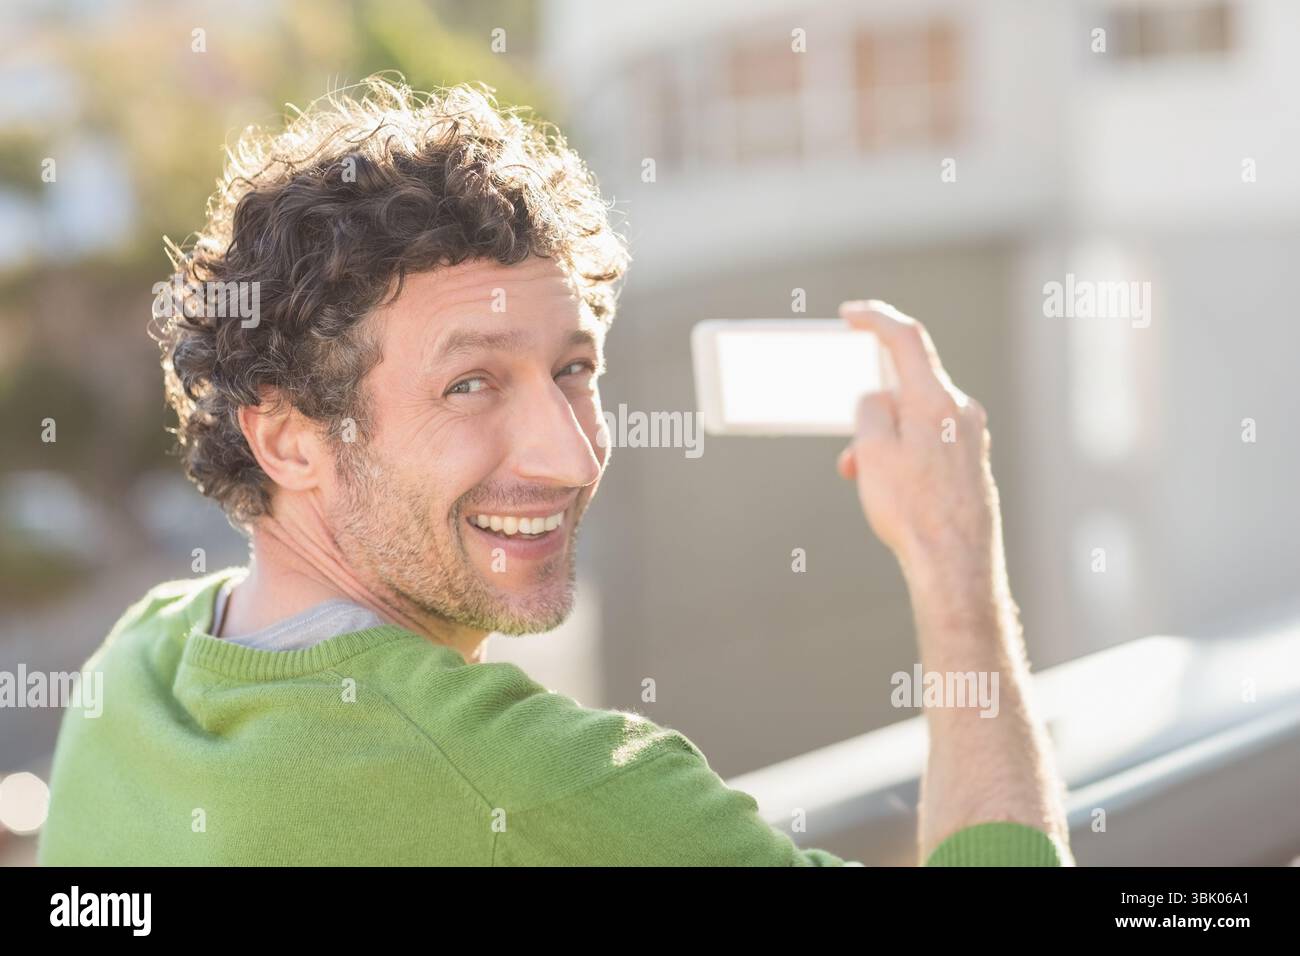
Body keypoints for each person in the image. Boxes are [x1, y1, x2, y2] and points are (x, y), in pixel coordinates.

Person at [39, 76, 1072, 866]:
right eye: (470, 385)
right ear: (289, 438)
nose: (570, 455)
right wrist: (953, 561)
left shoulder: (137, 669)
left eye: (573, 369)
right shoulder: (536, 783)